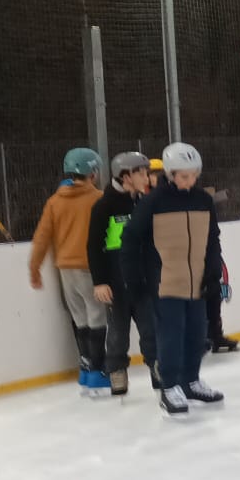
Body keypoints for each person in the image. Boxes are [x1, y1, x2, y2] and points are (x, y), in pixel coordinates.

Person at [122, 142, 226, 416]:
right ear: (170, 174)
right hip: (165, 282)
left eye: (194, 175)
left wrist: (213, 271)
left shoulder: (203, 200)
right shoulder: (153, 202)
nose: (190, 181)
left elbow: (213, 238)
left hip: (197, 282)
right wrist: (134, 279)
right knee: (171, 335)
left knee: (197, 334)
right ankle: (169, 387)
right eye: (184, 176)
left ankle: (191, 381)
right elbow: (130, 239)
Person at [30, 148, 107, 393]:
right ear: (93, 173)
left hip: (65, 269)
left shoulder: (55, 202)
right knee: (97, 318)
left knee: (80, 319)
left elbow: (42, 237)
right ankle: (97, 371)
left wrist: (35, 268)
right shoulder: (99, 199)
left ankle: (85, 369)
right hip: (90, 268)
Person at [87, 151, 159, 394]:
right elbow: (94, 246)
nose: (146, 178)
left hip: (143, 281)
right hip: (116, 284)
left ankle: (158, 366)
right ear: (126, 176)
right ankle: (117, 369)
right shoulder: (103, 206)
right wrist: (100, 282)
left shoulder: (142, 202)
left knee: (151, 328)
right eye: (142, 173)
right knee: (118, 333)